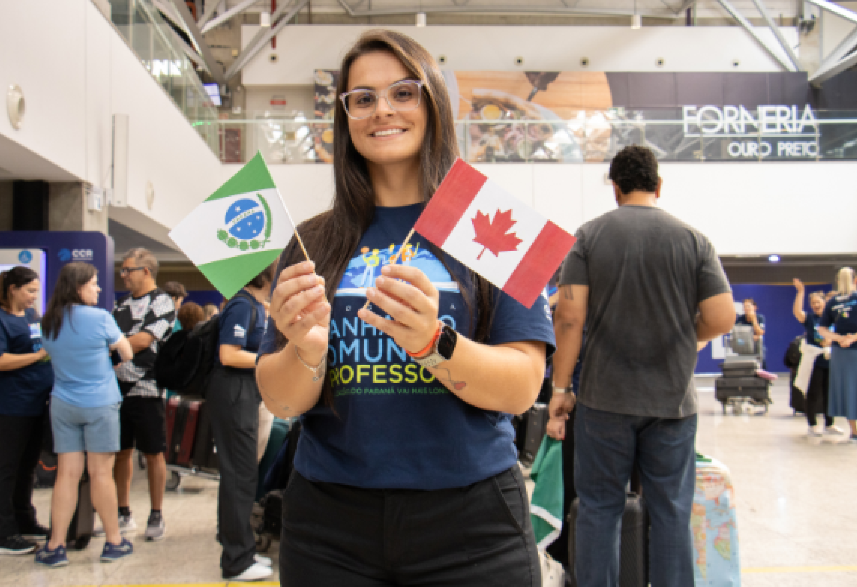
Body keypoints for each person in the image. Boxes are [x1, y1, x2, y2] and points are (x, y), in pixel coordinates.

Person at [256, 29, 554, 587]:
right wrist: (306, 351)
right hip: (330, 527)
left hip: (474, 525)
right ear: (345, 118)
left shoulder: (494, 223)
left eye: (403, 92)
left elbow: (521, 389)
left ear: (433, 102)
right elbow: (279, 397)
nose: (381, 110)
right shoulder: (313, 241)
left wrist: (432, 344)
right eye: (362, 98)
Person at [549, 145, 735, 586]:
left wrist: (560, 390)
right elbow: (722, 317)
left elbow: (569, 317)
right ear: (659, 184)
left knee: (599, 509)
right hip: (672, 402)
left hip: (603, 401)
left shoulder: (588, 237)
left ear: (615, 188)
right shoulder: (694, 240)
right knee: (670, 511)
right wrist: (686, 337)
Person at [35, 263, 134, 567]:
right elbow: (127, 352)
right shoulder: (100, 318)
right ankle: (114, 542)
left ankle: (55, 545)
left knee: (66, 475)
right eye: (93, 283)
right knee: (101, 474)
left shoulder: (48, 321)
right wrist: (109, 358)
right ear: (78, 287)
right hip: (100, 403)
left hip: (63, 402)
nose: (98, 288)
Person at [207, 265, 274, 582]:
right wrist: (268, 359)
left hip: (245, 395)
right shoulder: (241, 303)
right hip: (234, 395)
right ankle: (236, 560)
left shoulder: (257, 306)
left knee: (242, 476)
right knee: (239, 477)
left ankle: (239, 547)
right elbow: (229, 354)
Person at [112, 248, 176, 541]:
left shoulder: (162, 302)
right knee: (121, 452)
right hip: (116, 390)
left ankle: (156, 513)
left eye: (128, 270)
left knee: (153, 453)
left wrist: (119, 344)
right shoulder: (120, 305)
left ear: (145, 271)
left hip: (148, 389)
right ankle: (123, 512)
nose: (123, 275)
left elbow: (142, 341)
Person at [0, 267, 53, 556]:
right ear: (13, 289)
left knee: (26, 467)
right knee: (6, 469)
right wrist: (35, 357)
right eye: (30, 290)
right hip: (11, 405)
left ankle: (24, 520)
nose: (34, 296)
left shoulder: (32, 317)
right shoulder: (2, 319)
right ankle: (4, 532)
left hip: (36, 402)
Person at [818, 267, 857, 443]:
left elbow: (822, 329)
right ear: (856, 280)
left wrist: (839, 339)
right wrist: (853, 338)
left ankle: (854, 432)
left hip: (841, 354)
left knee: (849, 391)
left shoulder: (832, 302)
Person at [792, 279, 843, 437]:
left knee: (830, 393)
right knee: (813, 393)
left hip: (830, 360)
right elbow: (797, 312)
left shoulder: (833, 319)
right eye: (813, 303)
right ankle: (812, 424)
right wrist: (800, 292)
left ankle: (830, 424)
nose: (815, 305)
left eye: (818, 302)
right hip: (814, 362)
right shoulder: (810, 319)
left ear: (825, 303)